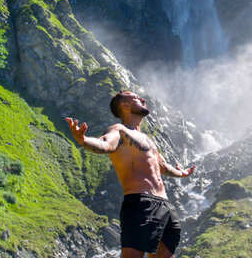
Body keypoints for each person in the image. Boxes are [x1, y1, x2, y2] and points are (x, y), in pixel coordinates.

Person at [66, 91, 195, 258]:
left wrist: (181, 173)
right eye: (136, 98)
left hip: (165, 205)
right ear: (125, 106)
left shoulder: (148, 139)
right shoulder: (119, 130)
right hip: (141, 202)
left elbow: (162, 167)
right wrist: (83, 140)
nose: (142, 99)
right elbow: (104, 144)